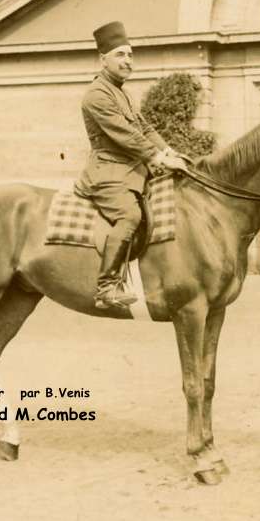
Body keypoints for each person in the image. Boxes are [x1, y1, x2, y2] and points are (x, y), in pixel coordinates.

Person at [75, 21, 187, 309]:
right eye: (120, 55)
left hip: (131, 171)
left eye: (130, 55)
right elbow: (125, 135)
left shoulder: (121, 92)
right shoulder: (97, 95)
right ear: (103, 60)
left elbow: (145, 127)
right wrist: (158, 158)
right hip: (108, 173)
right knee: (129, 216)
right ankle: (107, 286)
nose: (127, 61)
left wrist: (172, 152)